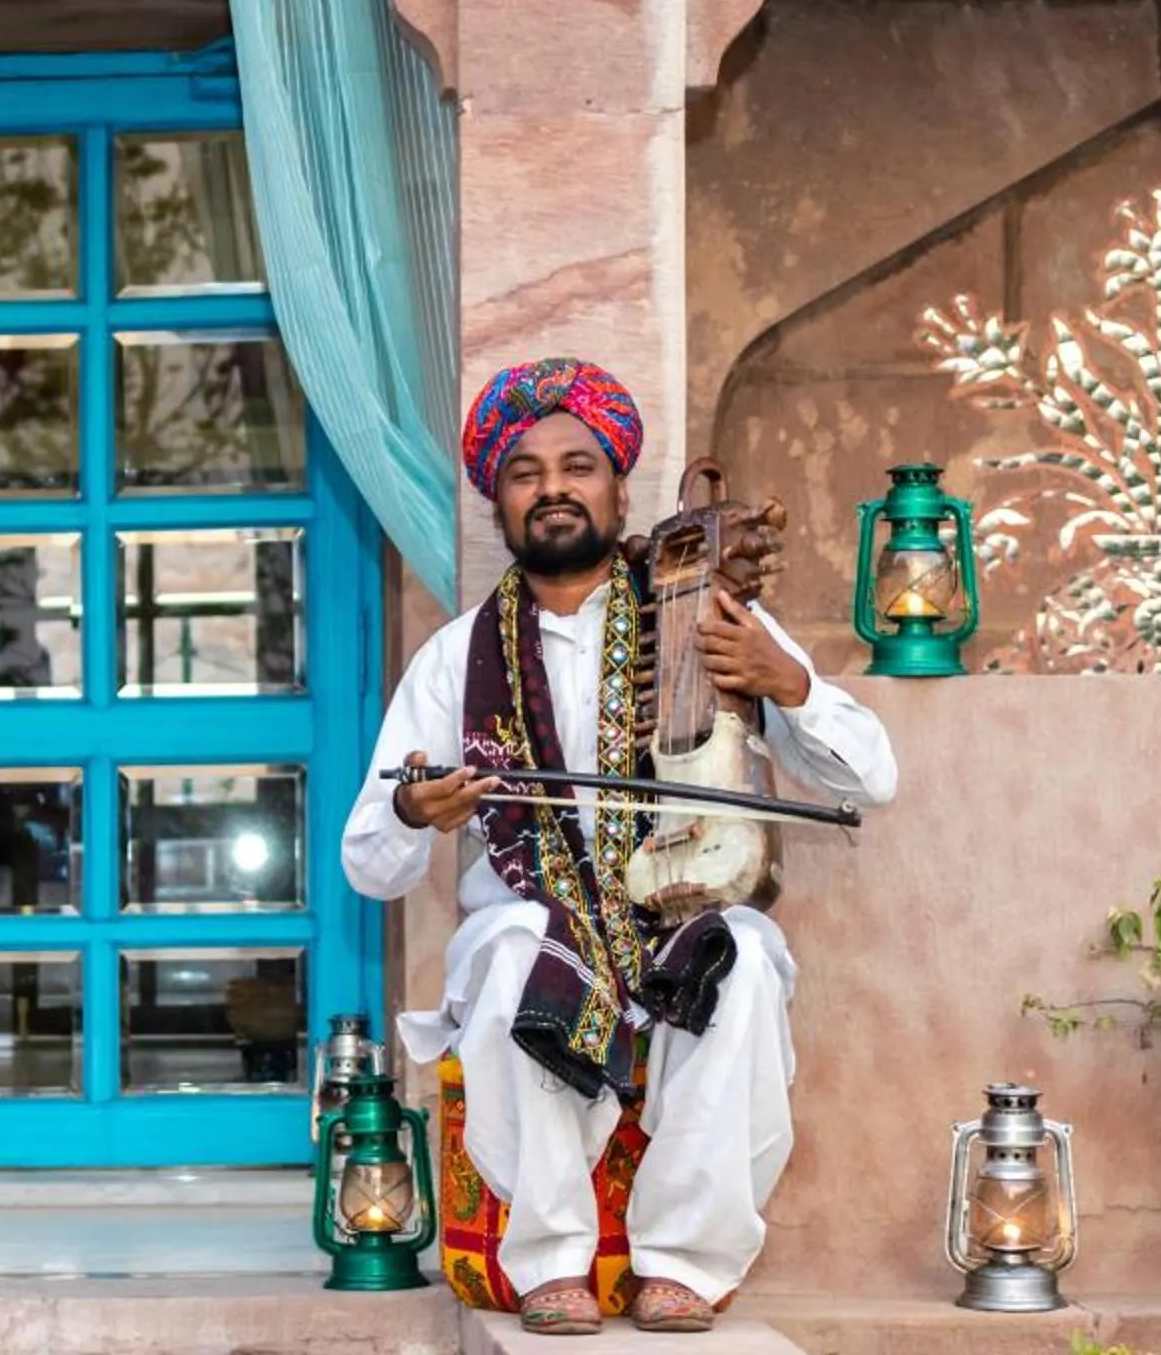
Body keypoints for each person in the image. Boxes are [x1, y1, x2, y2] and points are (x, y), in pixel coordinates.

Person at [341, 358, 896, 1333]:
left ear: (616, 486)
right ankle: (550, 1258)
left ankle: (683, 1258)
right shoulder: (457, 655)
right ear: (497, 500)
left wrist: (788, 682)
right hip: (539, 925)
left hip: (676, 916)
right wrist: (416, 812)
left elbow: (871, 778)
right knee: (516, 944)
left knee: (748, 955)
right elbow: (368, 861)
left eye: (578, 463)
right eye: (525, 470)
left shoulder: (699, 609)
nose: (553, 486)